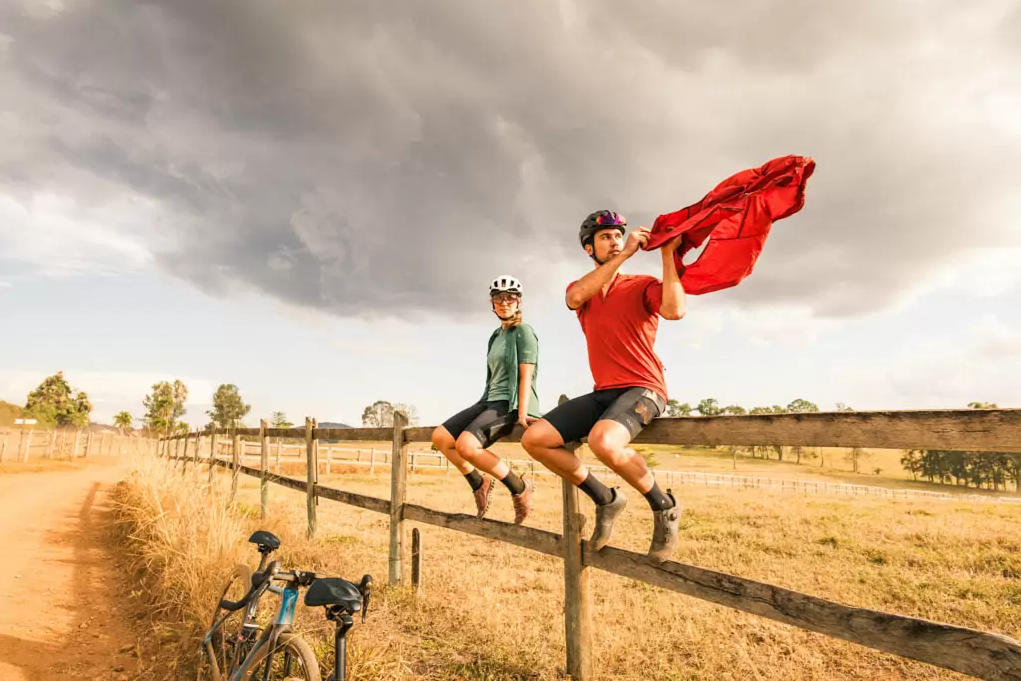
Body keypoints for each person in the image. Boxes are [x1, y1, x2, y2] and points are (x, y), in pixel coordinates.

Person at [521, 210, 685, 562]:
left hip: (645, 387)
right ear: (588, 248)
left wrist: (667, 255)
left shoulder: (641, 284)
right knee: (534, 440)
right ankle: (606, 499)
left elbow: (675, 310)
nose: (613, 242)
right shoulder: (584, 289)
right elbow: (576, 296)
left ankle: (664, 506)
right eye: (605, 238)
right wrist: (625, 252)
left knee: (602, 441)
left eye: (617, 236)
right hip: (604, 391)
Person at [430, 275, 541, 524]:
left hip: (509, 402)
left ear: (519, 301)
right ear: (492, 303)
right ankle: (479, 482)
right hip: (489, 399)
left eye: (510, 297)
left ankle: (519, 487)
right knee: (440, 437)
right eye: (498, 298)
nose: (504, 302)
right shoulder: (495, 336)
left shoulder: (523, 331)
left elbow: (527, 375)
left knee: (467, 447)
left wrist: (522, 412)